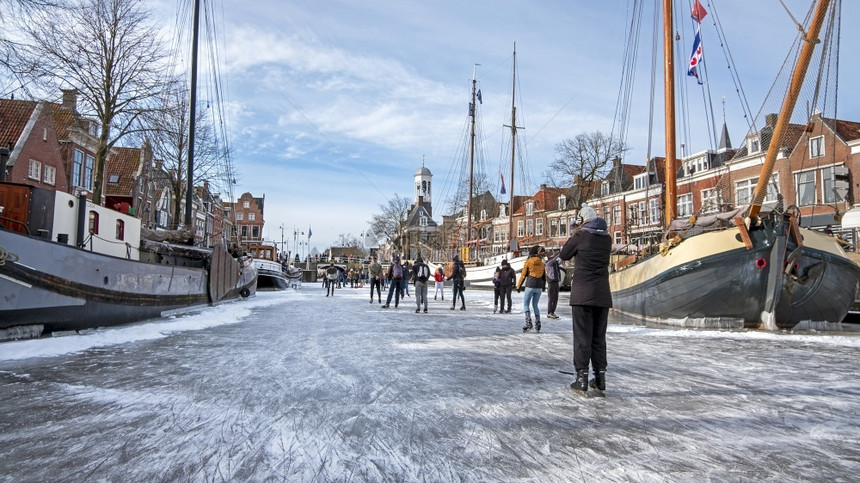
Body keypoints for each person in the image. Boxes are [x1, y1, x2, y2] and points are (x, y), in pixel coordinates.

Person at [558, 203, 612, 395]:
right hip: (602, 294)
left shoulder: (580, 236)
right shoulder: (607, 239)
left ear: (582, 221)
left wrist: (574, 233)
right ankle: (599, 378)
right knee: (598, 337)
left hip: (582, 293)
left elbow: (564, 254)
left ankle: (581, 377)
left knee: (582, 336)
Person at [516, 245, 546, 332]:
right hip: (539, 286)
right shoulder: (542, 263)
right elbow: (544, 277)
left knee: (526, 304)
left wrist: (518, 286)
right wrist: (543, 287)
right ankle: (538, 322)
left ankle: (528, 323)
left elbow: (523, 275)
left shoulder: (528, 262)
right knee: (535, 305)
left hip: (530, 285)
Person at [545, 251, 562, 320]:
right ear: (549, 256)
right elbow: (554, 258)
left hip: (556, 281)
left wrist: (563, 254)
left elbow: (560, 260)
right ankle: (549, 312)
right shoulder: (548, 263)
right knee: (551, 298)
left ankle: (553, 312)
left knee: (555, 298)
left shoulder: (555, 263)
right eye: (552, 255)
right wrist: (558, 253)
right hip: (551, 282)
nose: (553, 255)